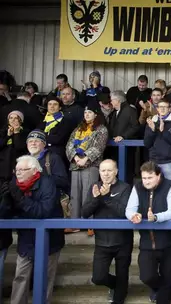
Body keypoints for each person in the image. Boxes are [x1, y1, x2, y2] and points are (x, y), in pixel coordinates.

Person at [5, 155, 65, 304]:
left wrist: (20, 198)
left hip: (50, 239)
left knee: (46, 277)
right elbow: (7, 211)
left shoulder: (47, 183)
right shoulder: (15, 183)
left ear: (33, 171)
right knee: (21, 276)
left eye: (22, 170)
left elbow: (42, 212)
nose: (18, 173)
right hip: (26, 238)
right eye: (16, 170)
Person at [125, 161, 171, 304]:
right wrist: (133, 215)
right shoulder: (137, 188)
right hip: (147, 242)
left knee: (167, 281)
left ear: (158, 176)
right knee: (146, 276)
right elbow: (129, 209)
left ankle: (164, 293)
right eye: (144, 178)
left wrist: (156, 217)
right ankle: (160, 288)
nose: (146, 181)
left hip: (170, 242)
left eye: (150, 178)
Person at [81, 159, 133, 304]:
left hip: (122, 240)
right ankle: (118, 285)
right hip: (102, 241)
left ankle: (120, 291)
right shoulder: (95, 186)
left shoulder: (125, 188)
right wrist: (97, 199)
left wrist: (106, 198)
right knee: (98, 278)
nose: (106, 174)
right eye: (103, 170)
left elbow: (124, 212)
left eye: (109, 170)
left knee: (122, 277)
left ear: (116, 171)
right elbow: (85, 212)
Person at [65, 102, 109, 232]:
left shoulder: (101, 129)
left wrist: (86, 159)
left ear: (96, 115)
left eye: (90, 112)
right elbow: (69, 145)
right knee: (75, 194)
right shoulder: (78, 129)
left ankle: (90, 224)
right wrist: (75, 157)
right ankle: (75, 224)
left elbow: (99, 147)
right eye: (85, 113)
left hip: (91, 165)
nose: (87, 115)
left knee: (88, 194)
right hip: (75, 164)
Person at [144, 98, 171, 182]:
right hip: (154, 161)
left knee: (170, 189)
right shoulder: (152, 122)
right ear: (157, 108)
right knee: (154, 189)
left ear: (169, 109)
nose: (162, 109)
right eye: (160, 107)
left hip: (170, 161)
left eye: (165, 107)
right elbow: (147, 143)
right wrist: (153, 130)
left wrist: (163, 130)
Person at [26, 129, 70, 202]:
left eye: (37, 141)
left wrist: (40, 177)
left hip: (49, 203)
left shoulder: (53, 158)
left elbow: (64, 182)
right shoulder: (23, 161)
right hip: (27, 204)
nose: (33, 143)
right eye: (30, 141)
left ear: (44, 144)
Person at [38, 95, 75, 166]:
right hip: (42, 152)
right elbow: (37, 135)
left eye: (55, 104)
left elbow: (58, 139)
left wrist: (43, 137)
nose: (52, 106)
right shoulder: (43, 120)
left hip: (58, 154)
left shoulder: (65, 121)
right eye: (50, 104)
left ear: (60, 107)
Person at [0, 111, 28, 182]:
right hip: (2, 168)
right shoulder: (2, 132)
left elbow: (19, 147)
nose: (13, 120)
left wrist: (16, 133)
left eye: (16, 118)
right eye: (11, 118)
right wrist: (8, 136)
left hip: (17, 167)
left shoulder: (25, 132)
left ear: (21, 121)